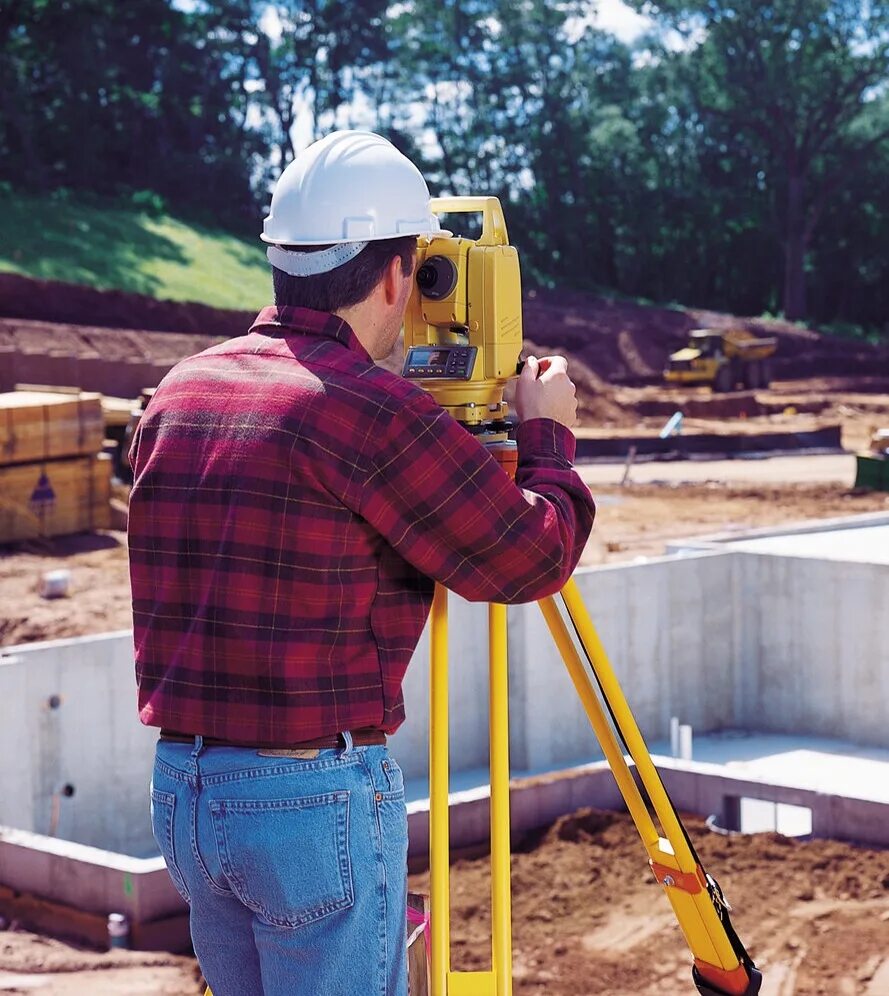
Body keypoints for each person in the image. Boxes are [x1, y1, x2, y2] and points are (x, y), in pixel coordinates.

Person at [128, 130, 595, 996]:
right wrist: (546, 437)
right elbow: (530, 559)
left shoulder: (182, 389)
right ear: (395, 275)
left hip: (184, 794)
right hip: (307, 800)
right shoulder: (370, 415)